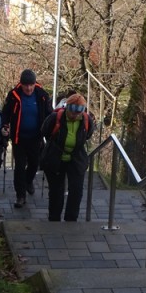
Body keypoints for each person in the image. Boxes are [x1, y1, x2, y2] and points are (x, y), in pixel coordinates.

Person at [1, 69, 52, 209]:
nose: (29, 88)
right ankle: (20, 196)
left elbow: (50, 114)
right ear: (21, 84)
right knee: (19, 167)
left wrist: (51, 129)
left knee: (35, 163)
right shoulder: (13, 95)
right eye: (26, 85)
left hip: (36, 137)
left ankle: (28, 181)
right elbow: (5, 113)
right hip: (19, 138)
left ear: (35, 84)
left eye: (31, 85)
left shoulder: (42, 95)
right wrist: (5, 126)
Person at [39, 93, 95, 222]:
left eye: (79, 111)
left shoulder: (86, 121)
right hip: (55, 159)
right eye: (72, 110)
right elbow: (44, 131)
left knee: (76, 190)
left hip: (76, 160)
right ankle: (54, 218)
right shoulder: (55, 118)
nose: (75, 114)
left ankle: (71, 219)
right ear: (67, 108)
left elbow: (88, 134)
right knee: (56, 192)